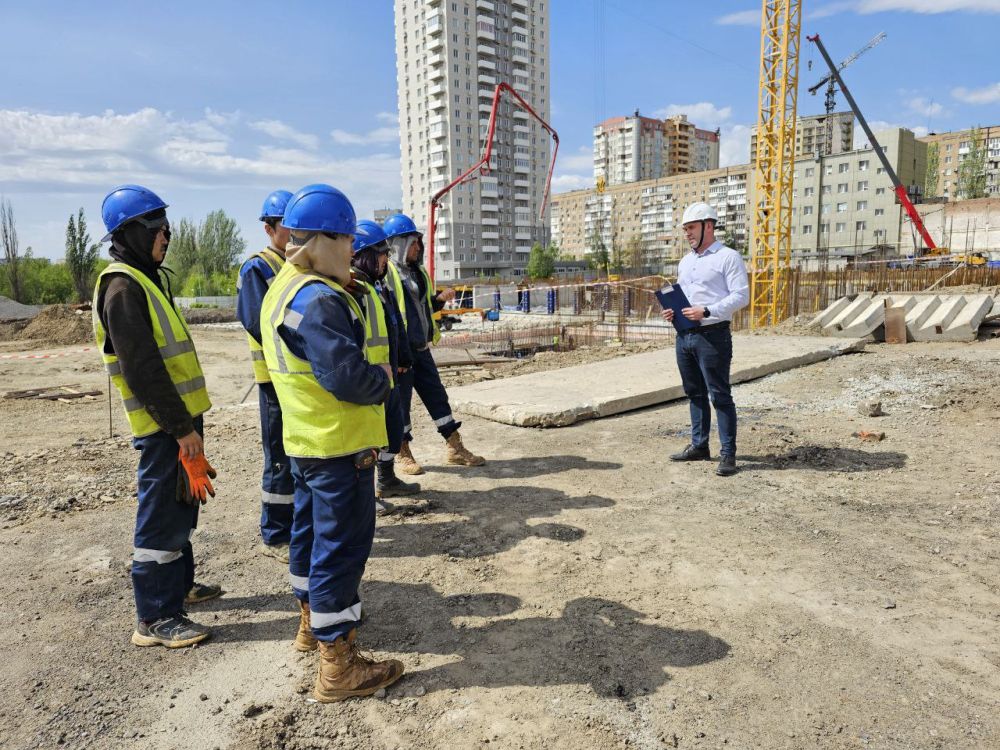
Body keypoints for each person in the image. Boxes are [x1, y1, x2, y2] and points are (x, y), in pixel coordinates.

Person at [260, 184, 404, 702]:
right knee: (340, 551)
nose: (352, 250)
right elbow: (346, 377)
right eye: (345, 240)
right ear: (320, 240)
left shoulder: (285, 286)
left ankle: (310, 626)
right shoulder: (318, 298)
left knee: (309, 539)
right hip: (339, 445)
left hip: (307, 441)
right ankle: (337, 665)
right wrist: (382, 377)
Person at [92, 184, 222, 648]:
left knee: (182, 508)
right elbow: (143, 370)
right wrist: (182, 430)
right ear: (128, 233)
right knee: (160, 517)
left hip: (178, 424)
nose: (166, 236)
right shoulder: (123, 287)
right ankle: (155, 618)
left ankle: (180, 588)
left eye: (166, 226)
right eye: (156, 227)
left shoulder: (145, 279)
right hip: (164, 427)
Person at [381, 213, 485, 474]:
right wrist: (397, 356)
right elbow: (390, 316)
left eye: (418, 242)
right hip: (401, 355)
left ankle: (454, 447)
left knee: (438, 398)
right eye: (413, 242)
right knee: (401, 407)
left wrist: (439, 300)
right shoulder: (387, 275)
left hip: (420, 350)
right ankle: (403, 453)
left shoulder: (418, 273)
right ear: (398, 244)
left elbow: (423, 307)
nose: (418, 247)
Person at [661, 202, 749, 477]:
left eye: (691, 228)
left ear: (708, 226)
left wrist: (707, 311)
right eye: (685, 229)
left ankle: (728, 454)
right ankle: (700, 446)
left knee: (720, 395)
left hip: (713, 336)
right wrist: (671, 311)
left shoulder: (728, 257)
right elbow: (685, 297)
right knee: (694, 393)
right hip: (685, 336)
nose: (687, 233)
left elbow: (741, 296)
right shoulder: (685, 262)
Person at [237, 189, 295, 562]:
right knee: (278, 455)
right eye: (286, 227)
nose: (293, 234)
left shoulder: (294, 267)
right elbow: (261, 321)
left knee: (296, 452)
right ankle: (275, 533)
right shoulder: (258, 268)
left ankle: (293, 525)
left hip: (296, 379)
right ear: (269, 228)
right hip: (274, 379)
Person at [350, 219, 420, 511]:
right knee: (368, 440)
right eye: (382, 253)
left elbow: (395, 325)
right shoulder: (353, 290)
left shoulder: (378, 286)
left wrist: (403, 358)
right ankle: (366, 495)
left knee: (391, 431)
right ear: (365, 253)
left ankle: (387, 480)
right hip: (369, 379)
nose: (386, 260)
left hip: (388, 375)